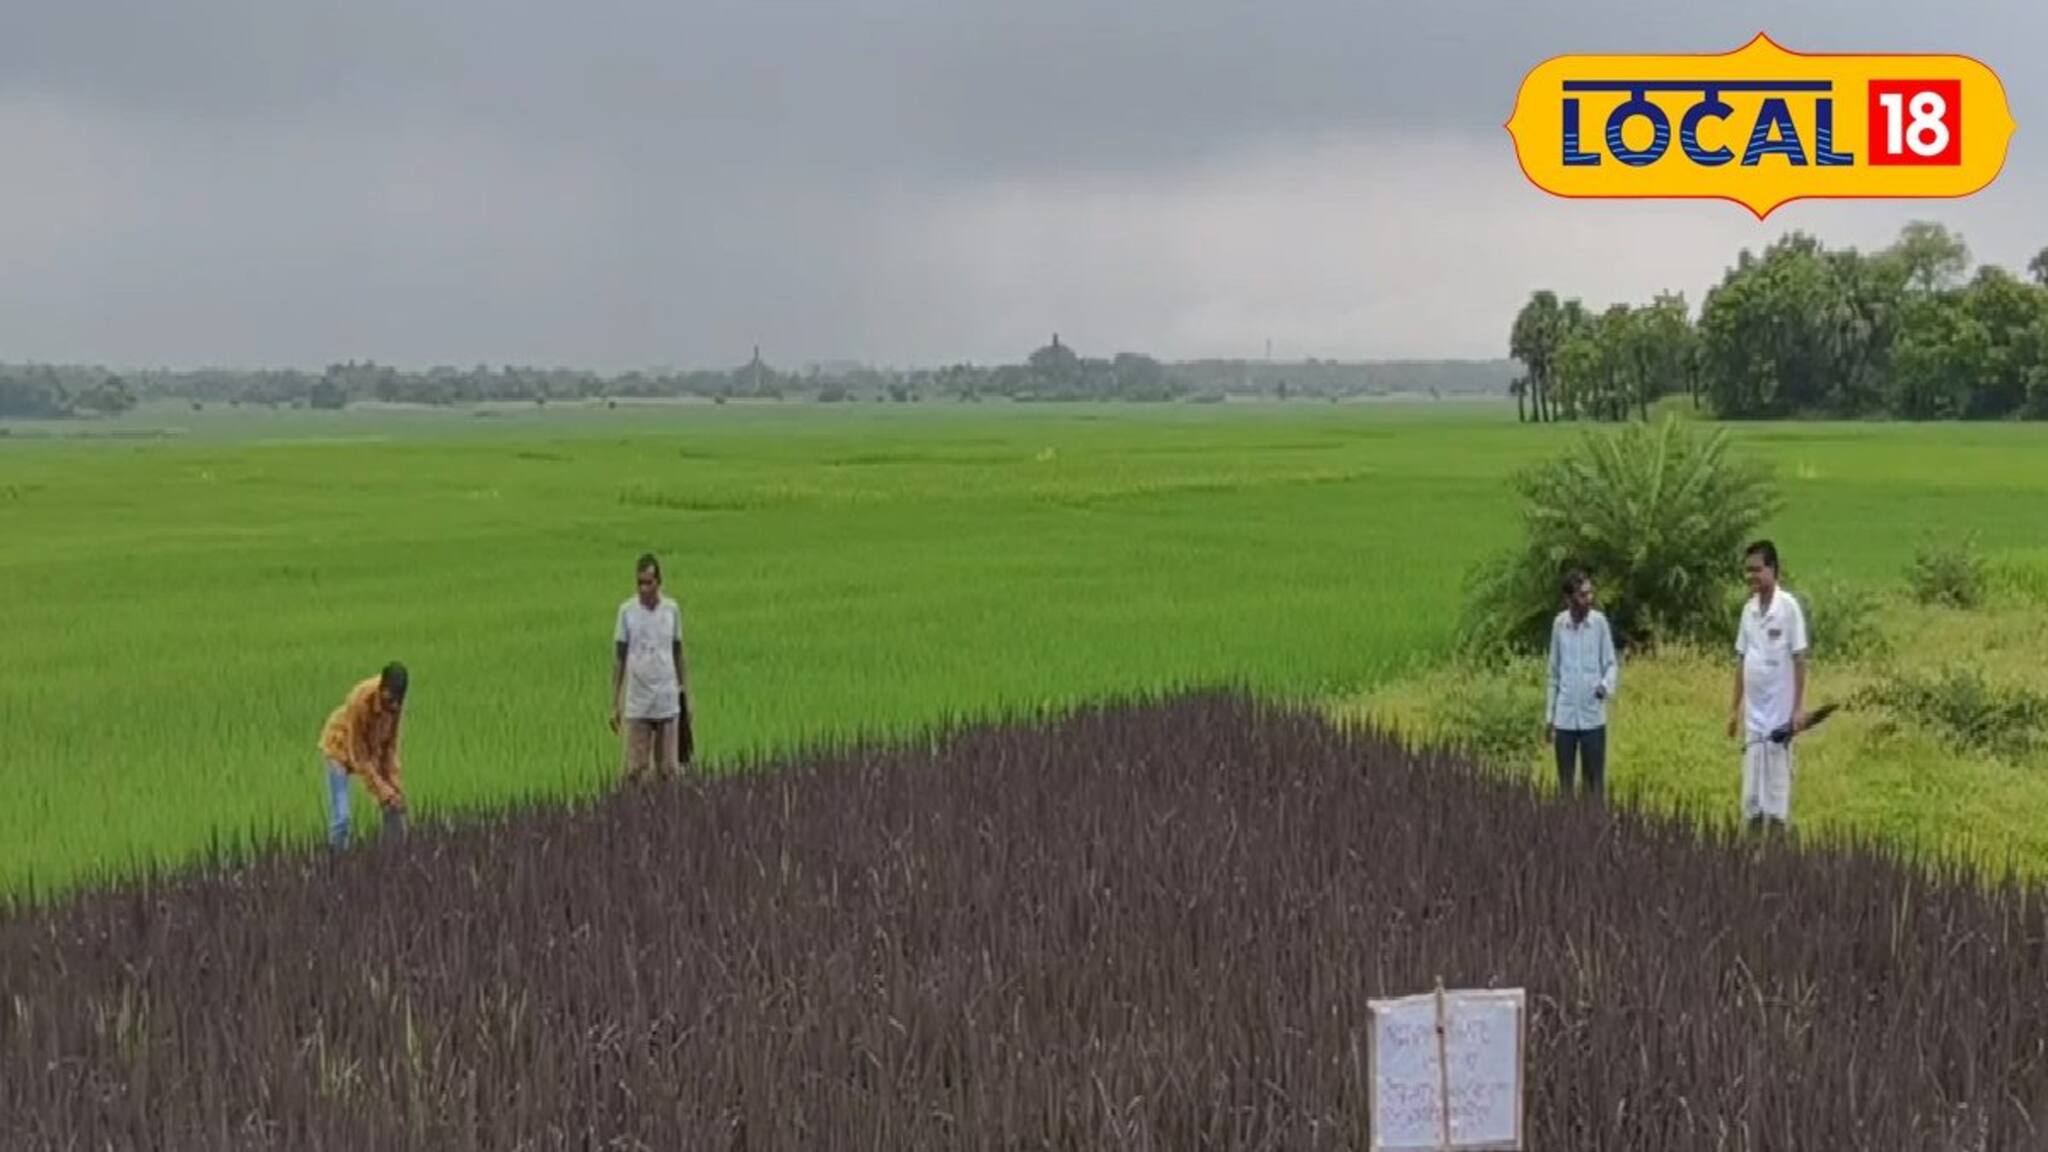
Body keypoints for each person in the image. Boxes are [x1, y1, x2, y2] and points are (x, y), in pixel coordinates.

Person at [1729, 539, 1810, 833]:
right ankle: (1751, 847)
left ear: (1772, 570)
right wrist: (1733, 709)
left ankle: (1777, 854)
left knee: (1776, 792)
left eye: (1757, 569)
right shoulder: (1748, 612)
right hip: (1754, 718)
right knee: (1751, 793)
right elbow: (1741, 660)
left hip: (1779, 719)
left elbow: (1800, 659)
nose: (1752, 576)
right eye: (1747, 571)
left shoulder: (1788, 609)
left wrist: (1798, 709)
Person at [612, 552, 692, 783]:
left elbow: (678, 652)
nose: (644, 589)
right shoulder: (626, 612)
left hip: (667, 700)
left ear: (659, 582)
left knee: (668, 770)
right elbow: (619, 659)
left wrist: (685, 692)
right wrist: (614, 702)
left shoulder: (671, 610)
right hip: (638, 702)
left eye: (648, 583)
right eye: (640, 583)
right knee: (635, 770)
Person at [318, 662, 409, 848]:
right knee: (342, 818)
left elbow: (390, 748)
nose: (393, 706)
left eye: (397, 702)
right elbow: (359, 756)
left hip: (371, 749)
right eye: (389, 700)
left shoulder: (395, 704)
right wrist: (382, 791)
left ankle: (394, 854)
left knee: (392, 803)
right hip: (341, 747)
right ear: (381, 688)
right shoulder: (360, 700)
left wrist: (393, 787)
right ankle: (337, 861)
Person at [1545, 569, 1618, 799]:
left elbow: (1611, 664)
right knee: (1565, 785)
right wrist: (1550, 717)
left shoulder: (1599, 624)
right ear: (1569, 599)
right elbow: (1553, 673)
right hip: (1565, 717)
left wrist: (1604, 686)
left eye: (1589, 594)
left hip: (1592, 718)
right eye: (1582, 595)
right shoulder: (1559, 625)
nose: (1588, 600)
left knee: (1593, 785)